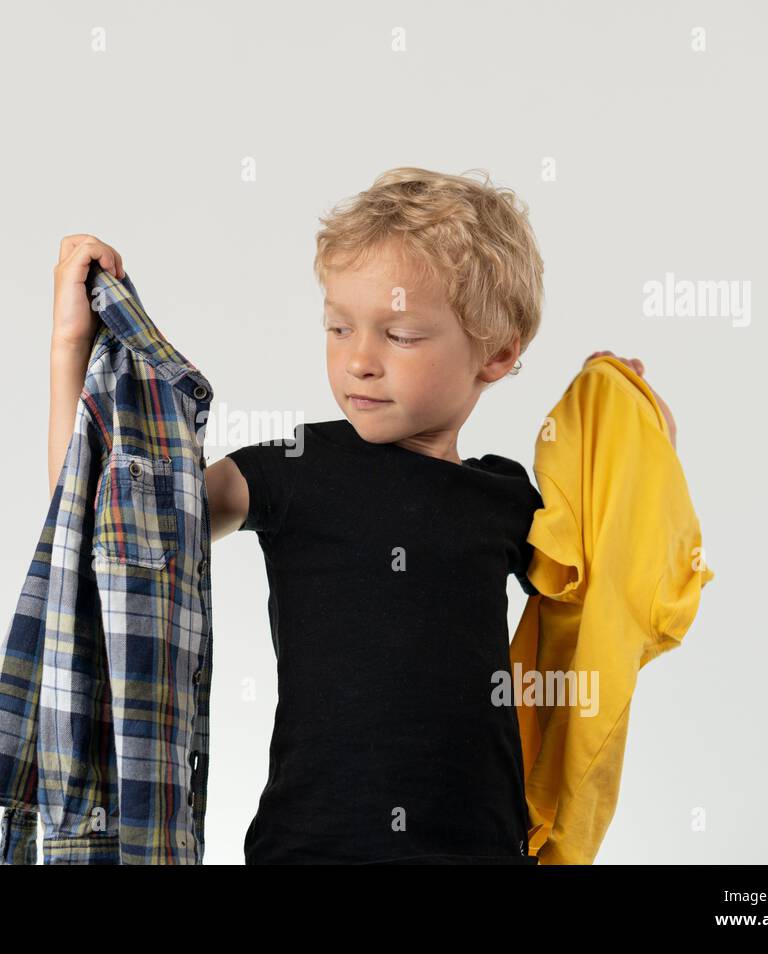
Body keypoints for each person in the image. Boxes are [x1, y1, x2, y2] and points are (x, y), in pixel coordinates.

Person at [44, 167, 677, 864]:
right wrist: (70, 348)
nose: (359, 361)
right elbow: (105, 520)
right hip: (312, 847)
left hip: (483, 848)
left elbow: (608, 577)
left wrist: (639, 433)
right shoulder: (294, 465)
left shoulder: (504, 495)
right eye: (339, 327)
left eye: (399, 335)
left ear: (497, 352)